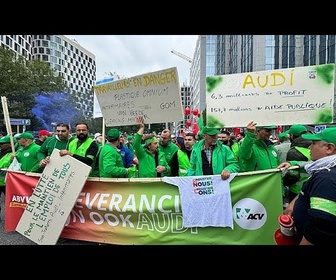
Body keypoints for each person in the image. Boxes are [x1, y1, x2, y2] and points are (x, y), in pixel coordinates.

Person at [279, 127, 336, 245]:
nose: (309, 147)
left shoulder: (326, 178)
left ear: (329, 148)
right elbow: (309, 165)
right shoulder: (324, 169)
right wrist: (296, 202)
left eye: (314, 143)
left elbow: (321, 227)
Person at [282, 124, 312, 203]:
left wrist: (283, 182)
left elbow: (293, 175)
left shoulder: (294, 151)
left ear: (292, 136)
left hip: (297, 190)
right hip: (312, 187)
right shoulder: (314, 146)